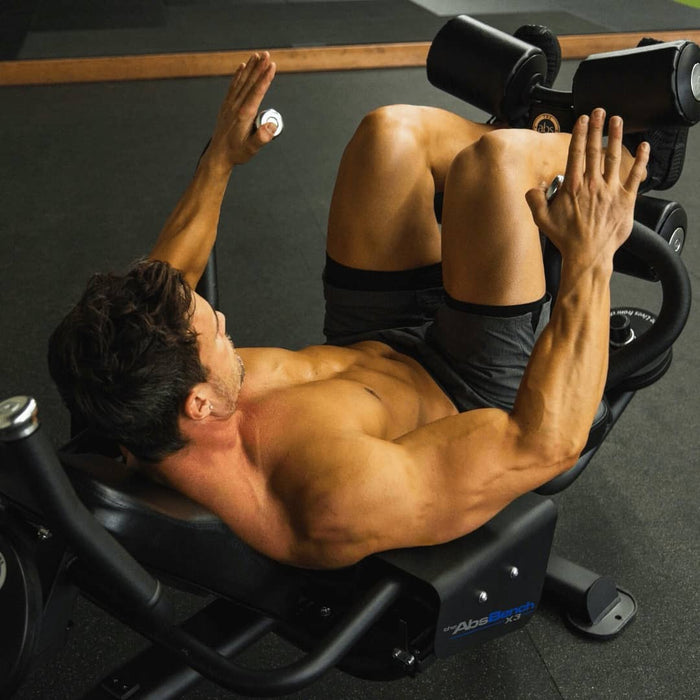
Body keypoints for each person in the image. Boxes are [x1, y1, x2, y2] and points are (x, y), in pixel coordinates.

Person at [48, 52, 649, 569]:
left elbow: (170, 279)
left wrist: (220, 159)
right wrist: (591, 255)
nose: (225, 322)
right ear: (199, 404)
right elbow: (542, 444)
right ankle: (628, 157)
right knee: (494, 165)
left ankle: (542, 131)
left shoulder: (125, 384)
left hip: (370, 339)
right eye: (217, 334)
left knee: (387, 134)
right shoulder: (325, 495)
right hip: (470, 385)